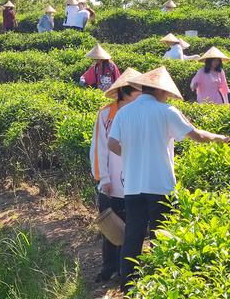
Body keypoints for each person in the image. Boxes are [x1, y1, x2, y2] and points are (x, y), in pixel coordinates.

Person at [107, 66, 229, 294]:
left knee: (133, 237)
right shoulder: (166, 112)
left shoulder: (124, 112)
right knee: (160, 238)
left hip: (133, 187)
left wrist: (131, 155)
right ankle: (158, 288)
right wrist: (222, 138)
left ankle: (128, 287)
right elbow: (198, 136)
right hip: (160, 186)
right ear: (161, 91)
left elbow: (112, 144)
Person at [90, 68, 142, 283]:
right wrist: (104, 178)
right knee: (111, 229)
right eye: (139, 89)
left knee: (132, 230)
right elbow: (99, 148)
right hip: (111, 182)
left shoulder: (141, 113)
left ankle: (126, 269)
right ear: (127, 91)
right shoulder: (106, 114)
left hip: (135, 182)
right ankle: (108, 266)